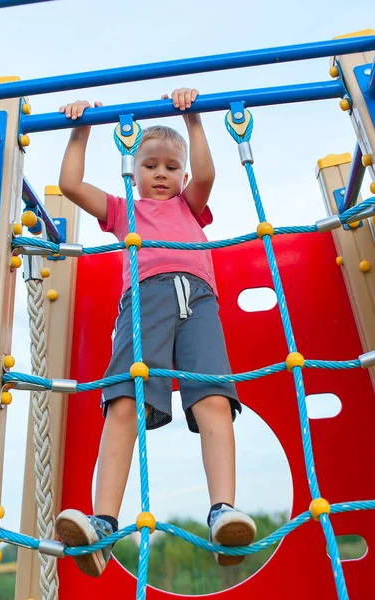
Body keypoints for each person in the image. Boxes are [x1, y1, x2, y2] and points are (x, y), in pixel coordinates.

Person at [55, 88, 256, 578]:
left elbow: (207, 173)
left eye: (170, 167)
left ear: (182, 176)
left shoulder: (191, 205)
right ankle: (103, 522)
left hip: (200, 302)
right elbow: (70, 184)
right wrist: (81, 130)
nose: (161, 174)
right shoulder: (125, 209)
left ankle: (222, 512)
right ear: (133, 171)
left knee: (212, 399)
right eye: (150, 165)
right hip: (144, 303)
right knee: (124, 401)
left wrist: (194, 120)